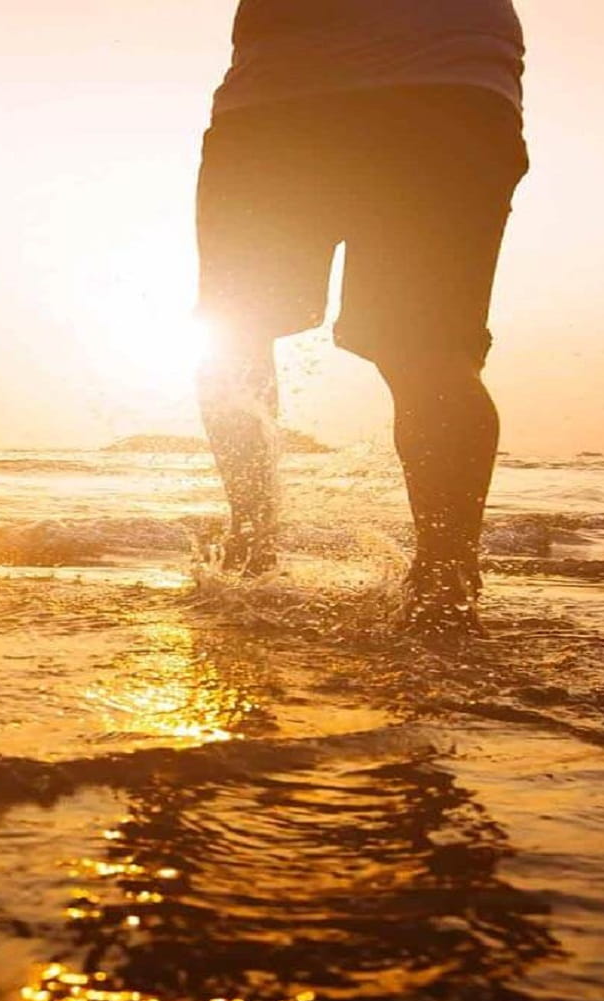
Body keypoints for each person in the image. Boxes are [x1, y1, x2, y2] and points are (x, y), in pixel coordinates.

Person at [194, 0, 528, 640]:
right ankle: (444, 584)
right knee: (429, 349)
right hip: (450, 89)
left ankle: (252, 548)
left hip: (286, 95)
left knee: (236, 335)